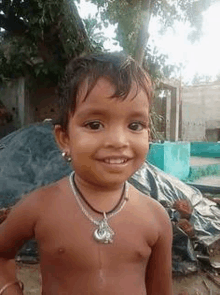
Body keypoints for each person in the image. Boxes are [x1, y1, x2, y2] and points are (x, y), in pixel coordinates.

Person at [0, 53, 173, 295]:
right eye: (95, 125)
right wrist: (9, 289)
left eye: (134, 125)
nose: (118, 141)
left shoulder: (157, 219)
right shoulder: (39, 207)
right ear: (64, 139)